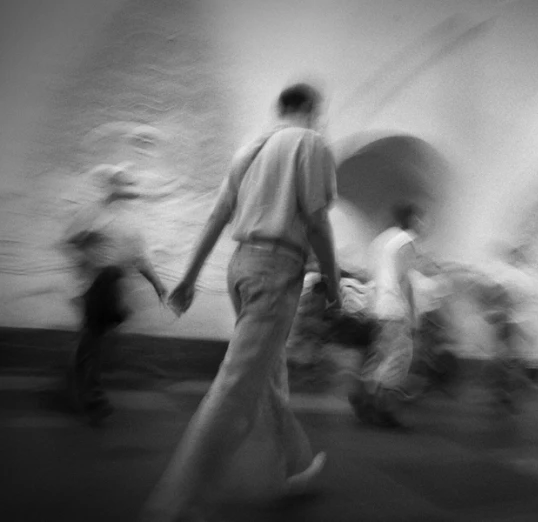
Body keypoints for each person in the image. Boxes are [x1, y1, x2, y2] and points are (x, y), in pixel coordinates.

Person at [140, 83, 342, 522]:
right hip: (277, 270)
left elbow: (218, 215)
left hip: (241, 267)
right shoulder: (310, 142)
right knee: (235, 387)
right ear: (310, 109)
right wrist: (334, 282)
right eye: (319, 112)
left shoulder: (249, 150)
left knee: (267, 375)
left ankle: (295, 463)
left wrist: (190, 277)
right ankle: (173, 505)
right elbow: (316, 219)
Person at [62, 164, 167, 424]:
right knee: (92, 342)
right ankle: (89, 396)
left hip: (113, 285)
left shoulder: (128, 221)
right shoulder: (92, 213)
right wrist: (87, 268)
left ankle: (83, 389)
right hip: (97, 283)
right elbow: (71, 242)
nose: (123, 189)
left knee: (97, 342)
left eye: (126, 184)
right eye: (119, 183)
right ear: (109, 186)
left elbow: (139, 258)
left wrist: (156, 283)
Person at [349, 203, 425, 429]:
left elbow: (370, 274)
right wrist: (412, 315)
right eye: (422, 219)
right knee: (397, 359)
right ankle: (382, 409)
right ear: (412, 219)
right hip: (395, 307)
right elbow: (404, 280)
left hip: (379, 306)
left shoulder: (381, 240)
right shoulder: (405, 241)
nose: (423, 224)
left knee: (378, 357)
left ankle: (365, 400)